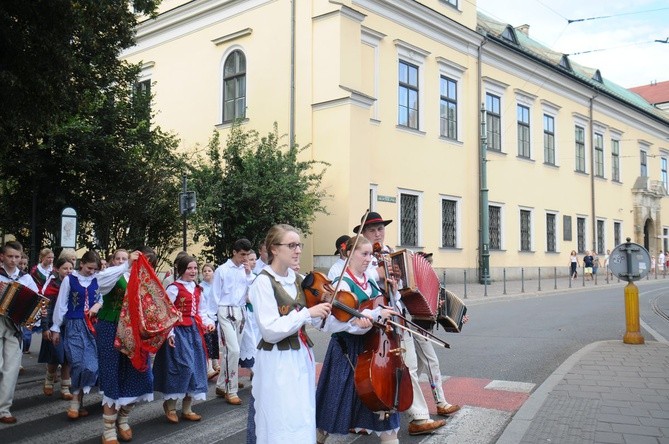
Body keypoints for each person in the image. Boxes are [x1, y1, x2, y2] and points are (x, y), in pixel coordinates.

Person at [355, 211, 446, 435]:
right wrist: (377, 273)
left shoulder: (392, 254)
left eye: (380, 229)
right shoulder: (361, 256)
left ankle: (409, 414)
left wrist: (400, 280)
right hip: (375, 320)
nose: (377, 234)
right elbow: (357, 278)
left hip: (398, 315)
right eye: (372, 230)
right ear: (363, 234)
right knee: (397, 368)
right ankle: (418, 417)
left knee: (411, 366)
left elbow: (406, 286)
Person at [249, 224, 331, 443]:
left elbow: (313, 318)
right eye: (292, 245)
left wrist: (323, 314)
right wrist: (306, 314)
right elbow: (270, 331)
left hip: (301, 356)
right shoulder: (263, 282)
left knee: (301, 414)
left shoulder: (299, 279)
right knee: (280, 416)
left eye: (299, 245)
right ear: (274, 249)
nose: (298, 251)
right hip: (277, 359)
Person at [316, 235, 400, 443]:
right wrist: (364, 321)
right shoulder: (341, 285)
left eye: (370, 254)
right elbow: (334, 323)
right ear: (349, 254)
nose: (368, 258)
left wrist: (394, 295)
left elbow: (383, 309)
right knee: (332, 414)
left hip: (373, 351)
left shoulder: (369, 280)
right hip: (346, 351)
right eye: (364, 254)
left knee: (386, 419)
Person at [50, 250, 136, 421]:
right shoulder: (70, 279)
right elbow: (61, 303)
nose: (91, 272)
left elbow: (105, 296)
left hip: (94, 326)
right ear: (81, 264)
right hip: (74, 325)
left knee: (91, 366)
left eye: (95, 269)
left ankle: (78, 400)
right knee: (78, 364)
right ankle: (75, 402)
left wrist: (98, 304)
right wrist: (56, 327)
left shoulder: (99, 279)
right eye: (89, 268)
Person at [96, 248, 155, 444]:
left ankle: (123, 419)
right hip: (110, 327)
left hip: (134, 331)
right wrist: (125, 265)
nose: (123, 261)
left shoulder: (140, 278)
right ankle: (108, 430)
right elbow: (101, 282)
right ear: (113, 261)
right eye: (118, 258)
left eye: (125, 257)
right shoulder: (108, 276)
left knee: (140, 374)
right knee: (111, 374)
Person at [153, 254, 213, 424]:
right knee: (183, 368)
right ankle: (170, 405)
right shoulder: (174, 288)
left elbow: (201, 311)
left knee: (195, 368)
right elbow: (166, 313)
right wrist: (170, 333)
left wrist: (207, 323)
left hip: (194, 332)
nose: (193, 271)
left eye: (195, 268)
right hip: (178, 332)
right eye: (189, 268)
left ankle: (187, 408)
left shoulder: (197, 288)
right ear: (181, 270)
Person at [412, 252, 462, 418]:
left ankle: (401, 401)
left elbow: (441, 312)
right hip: (416, 329)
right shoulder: (413, 283)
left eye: (429, 265)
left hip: (427, 330)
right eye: (427, 265)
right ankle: (441, 403)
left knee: (415, 371)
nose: (429, 268)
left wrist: (459, 318)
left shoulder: (434, 285)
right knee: (432, 363)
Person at [0, 241, 41, 424]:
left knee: (10, 370)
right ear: (2, 257)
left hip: (14, 328)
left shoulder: (25, 279)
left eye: (17, 257)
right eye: (10, 256)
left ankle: (4, 410)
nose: (13, 260)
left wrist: (39, 312)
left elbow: (37, 303)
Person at [213, 238, 254, 405]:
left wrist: (249, 272)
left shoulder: (245, 271)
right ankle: (231, 390)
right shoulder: (222, 270)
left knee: (233, 352)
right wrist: (213, 318)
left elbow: (253, 288)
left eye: (247, 255)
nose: (244, 258)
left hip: (241, 311)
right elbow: (215, 296)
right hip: (225, 310)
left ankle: (222, 384)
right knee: (234, 350)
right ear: (234, 252)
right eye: (242, 254)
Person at [39, 257, 74, 400]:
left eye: (71, 268)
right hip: (54, 326)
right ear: (57, 269)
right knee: (55, 355)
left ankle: (65, 387)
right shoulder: (52, 284)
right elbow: (45, 306)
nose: (68, 271)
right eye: (65, 268)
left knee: (67, 357)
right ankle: (49, 379)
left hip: (69, 326)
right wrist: (45, 327)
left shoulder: (75, 283)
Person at [239, 251, 259, 373]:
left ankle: (255, 372)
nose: (253, 262)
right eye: (250, 259)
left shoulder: (257, 277)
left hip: (254, 313)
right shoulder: (240, 276)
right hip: (243, 313)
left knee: (256, 341)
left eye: (254, 259)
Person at [200, 262, 220, 380]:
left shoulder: (216, 286)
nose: (207, 272)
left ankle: (215, 363)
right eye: (205, 271)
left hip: (215, 317)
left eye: (209, 270)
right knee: (207, 342)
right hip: (205, 318)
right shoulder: (200, 287)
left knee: (214, 341)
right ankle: (208, 368)